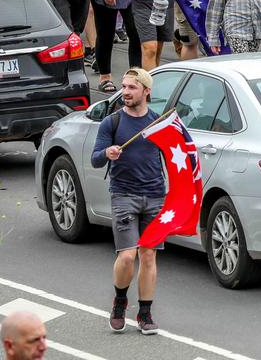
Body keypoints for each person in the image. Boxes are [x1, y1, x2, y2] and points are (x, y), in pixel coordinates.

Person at [90, 67, 169, 335]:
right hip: (123, 195)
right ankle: (120, 300)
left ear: (146, 91)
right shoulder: (111, 122)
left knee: (148, 256)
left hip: (155, 196)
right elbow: (95, 158)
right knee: (127, 256)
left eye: (132, 88)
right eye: (123, 87)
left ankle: (145, 313)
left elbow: (175, 156)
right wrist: (107, 152)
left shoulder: (158, 123)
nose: (125, 92)